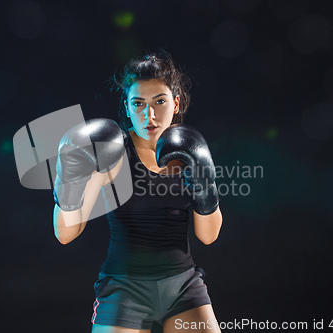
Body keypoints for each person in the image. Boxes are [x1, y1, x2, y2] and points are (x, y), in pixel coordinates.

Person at [53, 50, 223, 333]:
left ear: (176, 102)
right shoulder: (112, 153)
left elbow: (208, 235)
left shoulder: (188, 150)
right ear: (127, 106)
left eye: (160, 101)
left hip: (183, 286)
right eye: (139, 103)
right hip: (124, 288)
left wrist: (204, 182)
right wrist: (68, 182)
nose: (150, 115)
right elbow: (65, 234)